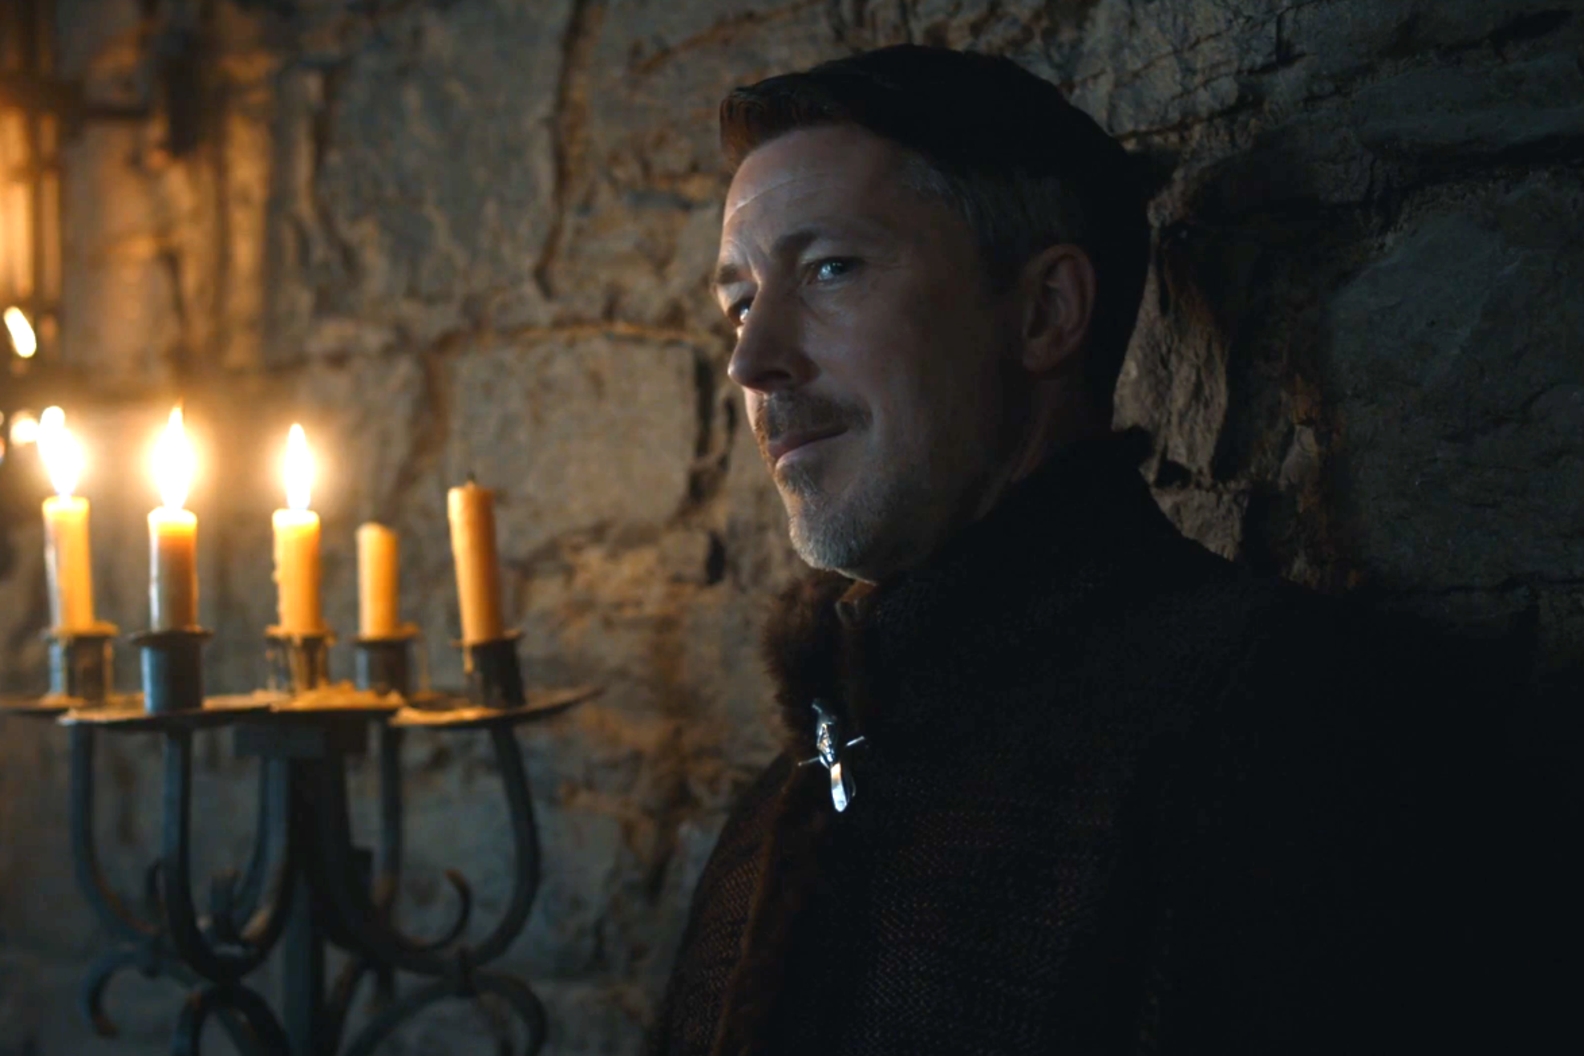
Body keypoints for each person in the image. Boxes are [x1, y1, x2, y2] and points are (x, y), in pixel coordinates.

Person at [649, 44, 1504, 1056]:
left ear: (1046, 311)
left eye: (831, 268)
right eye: (741, 301)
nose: (752, 359)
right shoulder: (787, 801)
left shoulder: (1274, 716)